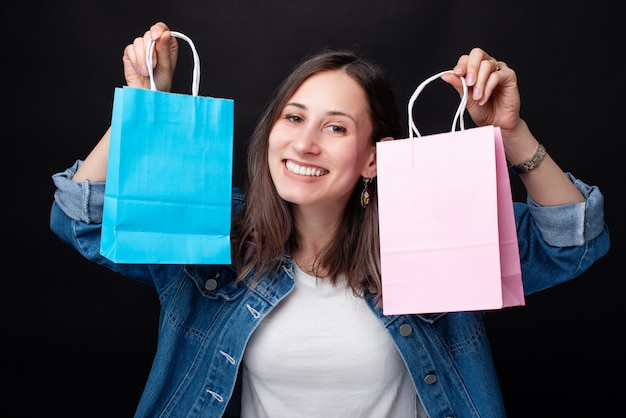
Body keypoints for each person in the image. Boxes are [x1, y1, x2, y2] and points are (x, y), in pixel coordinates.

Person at [50, 21, 609, 418]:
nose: (306, 143)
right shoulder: (213, 239)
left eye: (336, 127)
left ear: (372, 158)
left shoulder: (433, 239)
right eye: (294, 117)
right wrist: (141, 108)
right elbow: (82, 218)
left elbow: (570, 243)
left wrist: (513, 135)